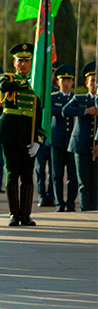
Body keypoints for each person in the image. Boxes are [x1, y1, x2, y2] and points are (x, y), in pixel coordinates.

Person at [0, 43, 46, 226]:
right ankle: (13, 214)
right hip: (10, 133)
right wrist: (27, 82)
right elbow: (4, 86)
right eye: (20, 61)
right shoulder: (7, 77)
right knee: (12, 174)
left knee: (27, 174)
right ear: (14, 62)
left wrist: (39, 140)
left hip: (29, 133)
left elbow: (42, 113)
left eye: (27, 61)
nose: (24, 64)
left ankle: (25, 215)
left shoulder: (38, 84)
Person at [63, 62, 97, 211]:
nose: (95, 84)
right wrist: (86, 111)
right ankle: (85, 210)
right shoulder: (79, 99)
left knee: (96, 183)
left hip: (96, 146)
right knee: (83, 182)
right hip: (80, 146)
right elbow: (65, 111)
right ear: (87, 83)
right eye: (92, 80)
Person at [49, 65, 78, 212]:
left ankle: (71, 203)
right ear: (58, 82)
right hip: (57, 141)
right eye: (62, 80)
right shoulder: (53, 97)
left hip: (72, 142)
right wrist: (67, 111)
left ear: (72, 82)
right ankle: (59, 203)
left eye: (68, 80)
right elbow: (50, 111)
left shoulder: (77, 98)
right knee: (57, 174)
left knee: (72, 175)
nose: (66, 83)